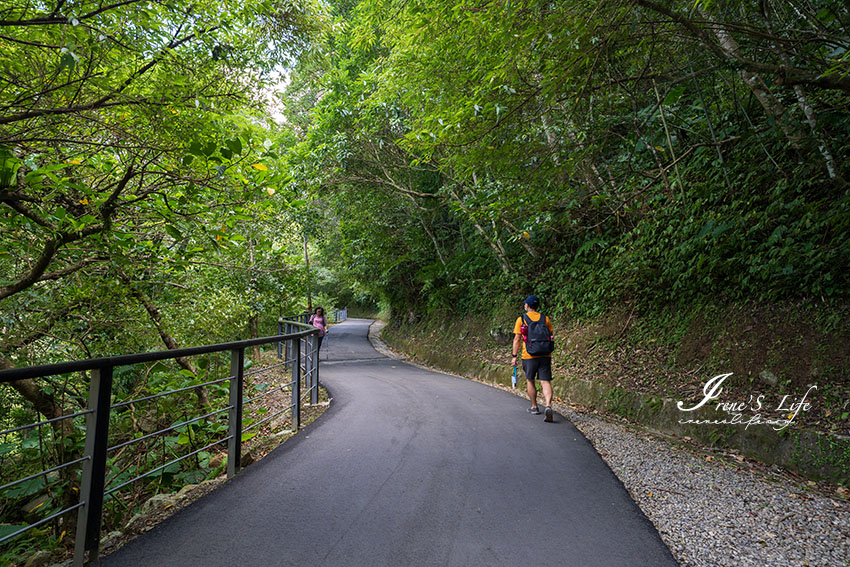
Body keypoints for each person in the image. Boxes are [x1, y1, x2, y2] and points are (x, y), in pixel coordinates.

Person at [511, 295, 555, 422]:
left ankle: (534, 407)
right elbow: (550, 335)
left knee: (530, 380)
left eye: (525, 304)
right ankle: (548, 405)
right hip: (545, 355)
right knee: (545, 381)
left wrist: (514, 356)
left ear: (528, 306)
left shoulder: (522, 319)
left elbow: (517, 339)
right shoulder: (545, 318)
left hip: (529, 355)